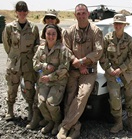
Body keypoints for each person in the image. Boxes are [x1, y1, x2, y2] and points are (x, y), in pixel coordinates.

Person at [57, 3, 103, 139]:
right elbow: (66, 50)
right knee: (69, 97)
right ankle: (75, 128)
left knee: (82, 96)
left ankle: (64, 126)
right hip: (74, 69)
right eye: (79, 13)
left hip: (88, 71)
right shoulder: (69, 32)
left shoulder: (96, 31)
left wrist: (82, 61)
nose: (81, 16)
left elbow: (98, 51)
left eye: (84, 13)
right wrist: (76, 63)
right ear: (75, 15)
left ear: (88, 14)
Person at [99, 14, 132, 134]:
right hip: (112, 74)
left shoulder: (129, 39)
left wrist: (121, 69)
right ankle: (118, 123)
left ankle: (131, 124)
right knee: (115, 99)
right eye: (116, 23)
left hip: (128, 73)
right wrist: (109, 69)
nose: (118, 26)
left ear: (124, 25)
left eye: (120, 24)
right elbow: (102, 56)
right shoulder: (107, 39)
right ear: (114, 25)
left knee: (130, 98)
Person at [2, 1, 40, 121]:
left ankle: (30, 110)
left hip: (28, 63)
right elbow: (6, 44)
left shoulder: (33, 27)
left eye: (24, 11)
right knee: (12, 87)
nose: (22, 13)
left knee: (29, 87)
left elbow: (37, 44)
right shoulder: (9, 27)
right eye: (20, 11)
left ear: (27, 12)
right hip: (14, 62)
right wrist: (13, 55)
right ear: (16, 12)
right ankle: (10, 111)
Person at [26, 8, 62, 130]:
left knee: (53, 100)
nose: (50, 20)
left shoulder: (62, 34)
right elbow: (36, 53)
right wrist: (43, 67)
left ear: (56, 20)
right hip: (42, 72)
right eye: (48, 18)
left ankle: (56, 122)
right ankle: (38, 118)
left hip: (57, 74)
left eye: (52, 18)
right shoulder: (42, 34)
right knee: (39, 98)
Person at [32, 24, 71, 135]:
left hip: (58, 81)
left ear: (57, 35)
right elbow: (35, 63)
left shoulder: (63, 50)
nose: (51, 36)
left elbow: (64, 69)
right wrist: (45, 66)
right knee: (41, 103)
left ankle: (57, 122)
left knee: (51, 103)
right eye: (48, 33)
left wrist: (50, 77)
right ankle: (50, 121)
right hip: (44, 82)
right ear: (44, 34)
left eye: (53, 34)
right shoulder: (40, 49)